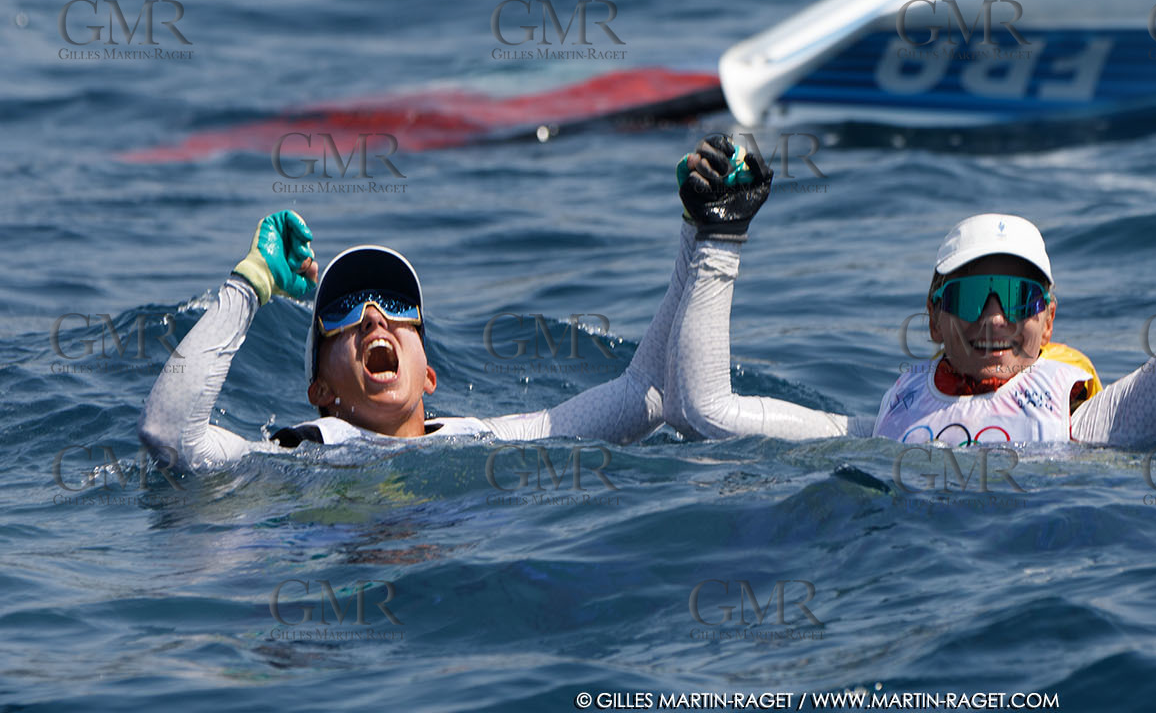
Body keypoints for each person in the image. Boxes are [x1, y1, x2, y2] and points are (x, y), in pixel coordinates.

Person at [663, 0, 1156, 448]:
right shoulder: (883, 426)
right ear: (934, 319)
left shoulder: (1095, 425)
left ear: (1049, 319)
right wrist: (716, 240)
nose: (995, 318)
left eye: (1019, 296)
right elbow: (707, 411)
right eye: (971, 295)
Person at [138, 138, 762, 471]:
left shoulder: (481, 440)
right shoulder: (295, 453)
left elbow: (647, 392)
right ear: (320, 391)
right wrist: (251, 285)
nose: (374, 315)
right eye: (347, 308)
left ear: (429, 376)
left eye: (392, 304)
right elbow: (169, 437)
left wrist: (702, 228)